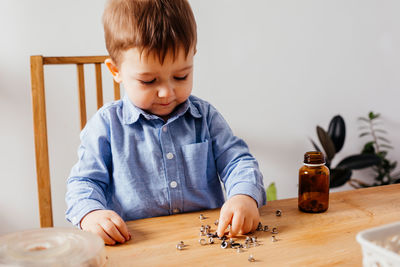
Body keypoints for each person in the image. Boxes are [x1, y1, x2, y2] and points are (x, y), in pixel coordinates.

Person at [65, 0, 266, 245]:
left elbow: (238, 162)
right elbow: (84, 182)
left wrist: (244, 196)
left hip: (207, 244)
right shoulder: (107, 125)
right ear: (115, 70)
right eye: (149, 81)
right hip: (137, 246)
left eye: (181, 76)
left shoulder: (205, 117)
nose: (166, 92)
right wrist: (91, 214)